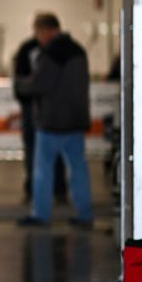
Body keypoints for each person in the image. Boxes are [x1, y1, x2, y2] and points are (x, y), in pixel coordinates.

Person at [15, 13, 94, 228]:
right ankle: (85, 214)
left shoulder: (50, 54)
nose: (38, 38)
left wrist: (21, 84)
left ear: (46, 31)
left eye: (38, 33)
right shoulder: (79, 50)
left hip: (51, 122)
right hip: (75, 121)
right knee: (78, 168)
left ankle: (40, 214)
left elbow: (39, 84)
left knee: (43, 170)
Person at [12, 20, 68, 203]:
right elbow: (20, 78)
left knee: (56, 152)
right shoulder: (27, 49)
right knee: (33, 151)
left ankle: (58, 189)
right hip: (33, 108)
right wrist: (25, 96)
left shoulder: (60, 52)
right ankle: (33, 190)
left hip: (54, 110)